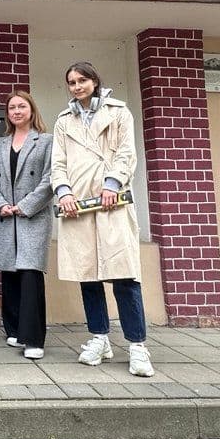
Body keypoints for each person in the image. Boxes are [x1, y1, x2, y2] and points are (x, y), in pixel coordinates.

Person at [52, 61, 154, 376]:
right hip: (78, 206)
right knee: (89, 276)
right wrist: (64, 193)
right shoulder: (63, 121)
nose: (77, 86)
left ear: (95, 81)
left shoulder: (119, 112)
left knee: (125, 276)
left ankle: (137, 345)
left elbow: (127, 153)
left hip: (113, 204)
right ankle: (99, 338)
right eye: (71, 82)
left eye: (82, 80)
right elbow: (58, 161)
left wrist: (113, 183)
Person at [0, 91, 53, 360]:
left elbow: (51, 178)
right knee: (10, 274)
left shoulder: (46, 141)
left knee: (30, 273)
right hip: (6, 215)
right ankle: (14, 330)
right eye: (11, 107)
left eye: (21, 106)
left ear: (31, 109)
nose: (16, 111)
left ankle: (34, 338)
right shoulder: (0, 144)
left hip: (32, 216)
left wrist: (25, 206)